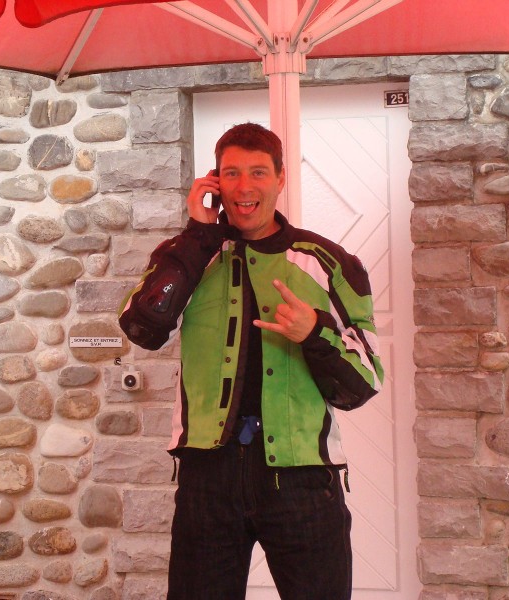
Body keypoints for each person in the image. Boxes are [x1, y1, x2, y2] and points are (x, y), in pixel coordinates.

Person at [119, 123, 383, 600]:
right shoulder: (187, 257)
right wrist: (199, 236)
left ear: (280, 178)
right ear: (214, 182)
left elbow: (364, 383)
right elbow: (142, 328)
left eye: (258, 172)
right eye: (231, 173)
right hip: (207, 478)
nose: (244, 187)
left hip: (304, 478)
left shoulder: (328, 261)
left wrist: (315, 333)